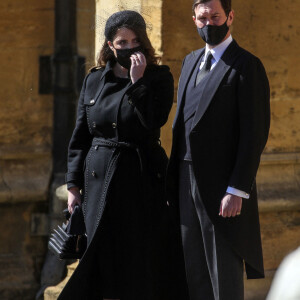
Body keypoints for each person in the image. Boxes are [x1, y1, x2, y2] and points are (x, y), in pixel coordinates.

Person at [58, 10, 174, 300]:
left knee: (137, 260)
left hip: (140, 181)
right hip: (98, 182)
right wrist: (73, 186)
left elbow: (154, 121)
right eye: (122, 42)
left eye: (135, 41)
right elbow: (81, 134)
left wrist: (138, 83)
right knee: (100, 259)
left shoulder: (159, 77)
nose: (129, 48)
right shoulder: (95, 79)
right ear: (110, 45)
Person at [166, 0, 270, 300]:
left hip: (222, 187)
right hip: (186, 180)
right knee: (193, 268)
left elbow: (255, 133)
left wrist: (237, 189)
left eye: (215, 17)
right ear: (194, 19)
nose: (209, 24)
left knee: (222, 272)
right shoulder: (189, 61)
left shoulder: (247, 65)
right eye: (202, 18)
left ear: (230, 17)